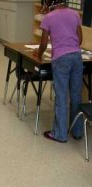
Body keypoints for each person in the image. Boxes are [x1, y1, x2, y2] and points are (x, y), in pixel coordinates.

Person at [35, 0, 83, 142]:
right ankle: (77, 131)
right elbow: (79, 39)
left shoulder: (48, 17)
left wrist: (38, 55)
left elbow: (43, 43)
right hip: (76, 57)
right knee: (76, 95)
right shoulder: (75, 14)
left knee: (61, 96)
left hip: (61, 59)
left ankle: (60, 134)